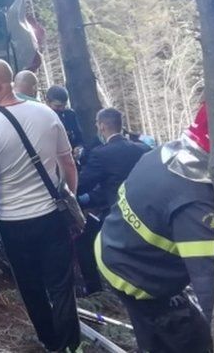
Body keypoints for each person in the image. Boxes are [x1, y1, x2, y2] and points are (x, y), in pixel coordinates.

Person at [0, 59, 81, 353]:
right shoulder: (45, 113)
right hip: (52, 216)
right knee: (61, 285)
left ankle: (50, 343)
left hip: (13, 223)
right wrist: (70, 197)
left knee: (31, 288)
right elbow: (67, 162)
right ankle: (72, 345)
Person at [96, 104, 214, 353]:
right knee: (190, 341)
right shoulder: (194, 203)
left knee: (153, 337)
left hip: (114, 249)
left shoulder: (161, 154)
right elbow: (210, 285)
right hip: (141, 277)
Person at [74, 108, 151, 296]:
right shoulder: (143, 148)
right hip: (147, 212)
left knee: (83, 244)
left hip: (117, 212)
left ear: (101, 126)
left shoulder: (101, 154)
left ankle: (94, 289)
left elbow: (82, 184)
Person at [45, 85, 84, 153]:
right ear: (48, 102)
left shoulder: (70, 115)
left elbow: (79, 138)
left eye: (64, 105)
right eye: (58, 106)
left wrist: (79, 148)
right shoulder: (42, 117)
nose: (62, 109)